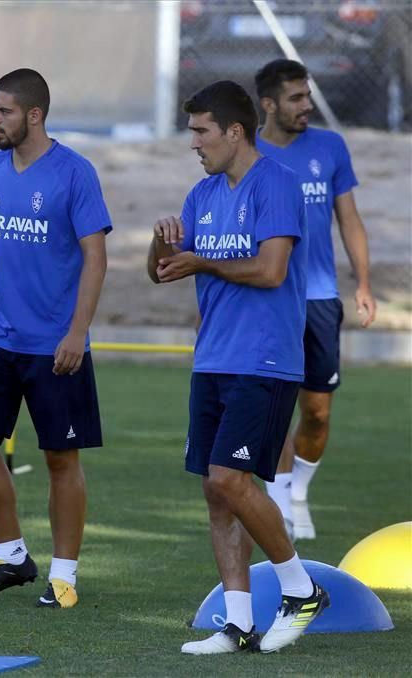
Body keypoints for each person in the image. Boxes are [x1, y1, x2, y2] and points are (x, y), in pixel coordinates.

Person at [150, 80, 329, 654]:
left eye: (201, 131)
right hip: (214, 358)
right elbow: (166, 272)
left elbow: (272, 269)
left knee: (232, 479)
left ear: (234, 131)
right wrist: (163, 246)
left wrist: (203, 259)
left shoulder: (277, 183)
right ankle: (238, 622)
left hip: (267, 358)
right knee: (215, 489)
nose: (193, 143)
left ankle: (301, 590)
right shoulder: (201, 195)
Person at [0, 68, 111, 610]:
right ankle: (12, 555)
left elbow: (95, 256)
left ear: (33, 115)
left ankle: (63, 576)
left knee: (60, 459)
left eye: (3, 111)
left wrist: (78, 331)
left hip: (55, 344)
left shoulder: (74, 173)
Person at [254, 59, 377, 541]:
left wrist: (363, 283)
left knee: (318, 410)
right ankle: (281, 501)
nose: (307, 106)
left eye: (308, 96)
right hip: (268, 298)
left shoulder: (330, 147)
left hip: (321, 298)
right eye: (296, 98)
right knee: (275, 403)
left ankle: (298, 489)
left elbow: (349, 220)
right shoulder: (247, 152)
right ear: (268, 103)